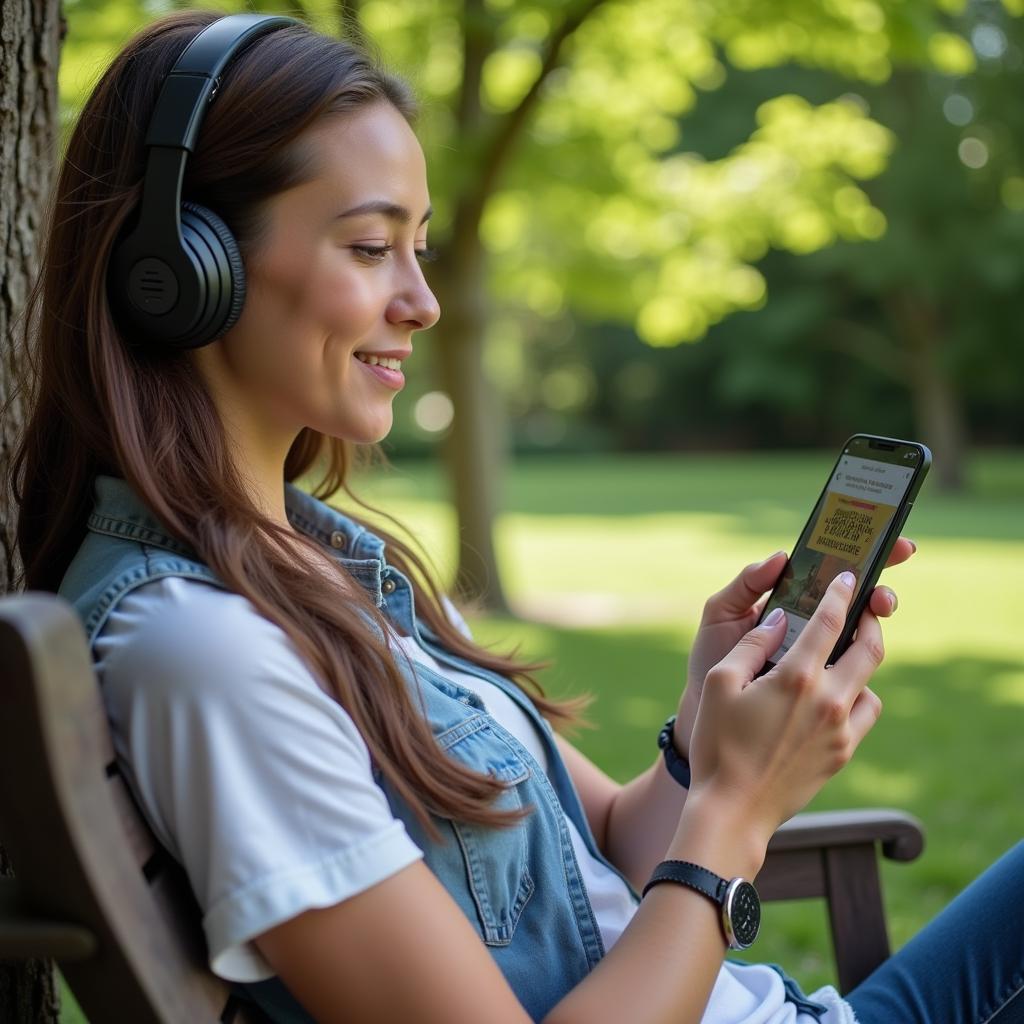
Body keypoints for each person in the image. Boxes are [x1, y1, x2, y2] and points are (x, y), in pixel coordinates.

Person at [9, 11, 1023, 1024]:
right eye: (370, 246)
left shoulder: (305, 564)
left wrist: (702, 739)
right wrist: (733, 819)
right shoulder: (207, 655)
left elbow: (621, 840)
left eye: (421, 244)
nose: (423, 300)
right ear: (180, 271)